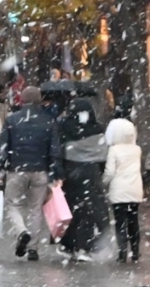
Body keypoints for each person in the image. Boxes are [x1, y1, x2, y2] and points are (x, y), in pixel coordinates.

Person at [0, 87, 63, 261]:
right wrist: (56, 172)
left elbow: (3, 149)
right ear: (40, 100)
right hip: (40, 170)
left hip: (17, 169)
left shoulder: (11, 120)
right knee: (35, 208)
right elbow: (55, 150)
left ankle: (21, 231)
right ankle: (33, 248)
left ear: (22, 100)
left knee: (12, 204)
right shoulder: (49, 121)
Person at [57, 98, 108, 262]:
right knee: (89, 211)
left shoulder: (64, 127)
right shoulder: (97, 128)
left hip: (70, 172)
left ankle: (68, 244)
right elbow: (103, 155)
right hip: (91, 173)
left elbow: (58, 150)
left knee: (70, 209)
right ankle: (85, 246)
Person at [103, 117, 142, 263]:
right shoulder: (137, 150)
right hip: (134, 190)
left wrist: (103, 183)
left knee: (120, 222)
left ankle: (122, 252)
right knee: (133, 220)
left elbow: (110, 172)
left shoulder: (114, 150)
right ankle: (136, 251)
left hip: (119, 191)